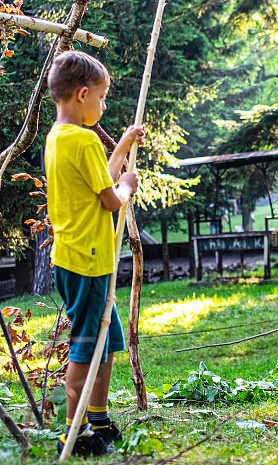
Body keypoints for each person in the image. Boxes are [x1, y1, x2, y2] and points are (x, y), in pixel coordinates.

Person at [46, 51, 144, 456]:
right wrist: (128, 187)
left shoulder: (59, 137)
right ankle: (76, 430)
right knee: (87, 345)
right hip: (85, 262)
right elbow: (109, 198)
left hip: (80, 259)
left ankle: (98, 417)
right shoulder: (83, 139)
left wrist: (120, 148)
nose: (103, 106)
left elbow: (96, 180)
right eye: (101, 98)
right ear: (83, 94)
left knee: (105, 340)